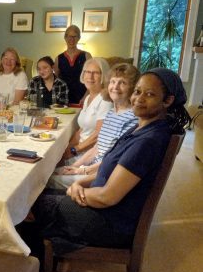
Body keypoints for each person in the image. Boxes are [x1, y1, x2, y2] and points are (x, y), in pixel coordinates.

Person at [20, 67, 190, 258]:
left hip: (110, 222)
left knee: (25, 206)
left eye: (149, 94)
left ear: (168, 100)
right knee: (34, 194)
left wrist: (76, 191)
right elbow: (109, 171)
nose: (139, 98)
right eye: (137, 91)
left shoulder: (147, 142)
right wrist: (80, 182)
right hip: (105, 208)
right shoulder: (141, 128)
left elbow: (107, 197)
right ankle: (47, 261)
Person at [48, 63, 140, 189]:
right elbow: (97, 148)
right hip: (92, 166)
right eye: (113, 82)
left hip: (103, 175)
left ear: (133, 88)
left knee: (44, 181)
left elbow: (114, 161)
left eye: (122, 83)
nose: (115, 87)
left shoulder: (132, 119)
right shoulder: (113, 112)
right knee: (47, 172)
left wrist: (81, 170)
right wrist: (75, 166)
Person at [62, 57, 112, 163]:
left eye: (96, 73)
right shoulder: (88, 97)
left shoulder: (105, 100)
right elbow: (81, 130)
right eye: (87, 72)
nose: (90, 76)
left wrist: (73, 150)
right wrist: (65, 150)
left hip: (90, 156)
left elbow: (98, 135)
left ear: (104, 76)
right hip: (79, 151)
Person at [55, 25, 92, 104]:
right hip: (63, 99)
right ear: (65, 37)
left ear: (79, 38)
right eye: (69, 36)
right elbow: (57, 82)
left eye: (74, 36)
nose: (71, 39)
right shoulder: (58, 58)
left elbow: (92, 79)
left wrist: (86, 96)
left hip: (82, 98)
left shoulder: (86, 56)